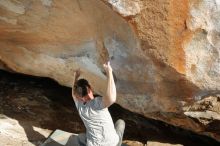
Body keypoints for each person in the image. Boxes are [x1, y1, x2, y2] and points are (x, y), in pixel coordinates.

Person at [72, 61, 125, 146]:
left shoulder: (80, 106)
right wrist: (109, 72)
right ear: (90, 89)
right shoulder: (97, 103)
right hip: (112, 144)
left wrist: (75, 78)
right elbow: (111, 98)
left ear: (79, 96)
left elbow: (73, 95)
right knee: (121, 123)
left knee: (80, 137)